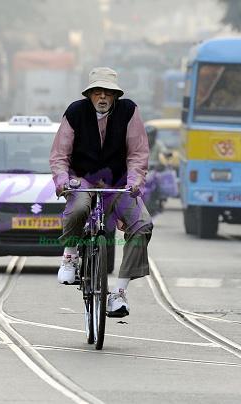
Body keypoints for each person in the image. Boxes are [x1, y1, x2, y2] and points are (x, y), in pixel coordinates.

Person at [49, 67, 153, 318]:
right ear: (90, 95)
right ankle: (71, 255)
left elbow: (138, 153)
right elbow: (60, 155)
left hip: (118, 182)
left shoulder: (129, 111)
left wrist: (135, 180)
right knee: (79, 208)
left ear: (116, 95)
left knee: (142, 225)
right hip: (82, 179)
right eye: (97, 92)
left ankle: (119, 293)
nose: (103, 97)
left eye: (108, 92)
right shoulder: (75, 112)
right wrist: (63, 180)